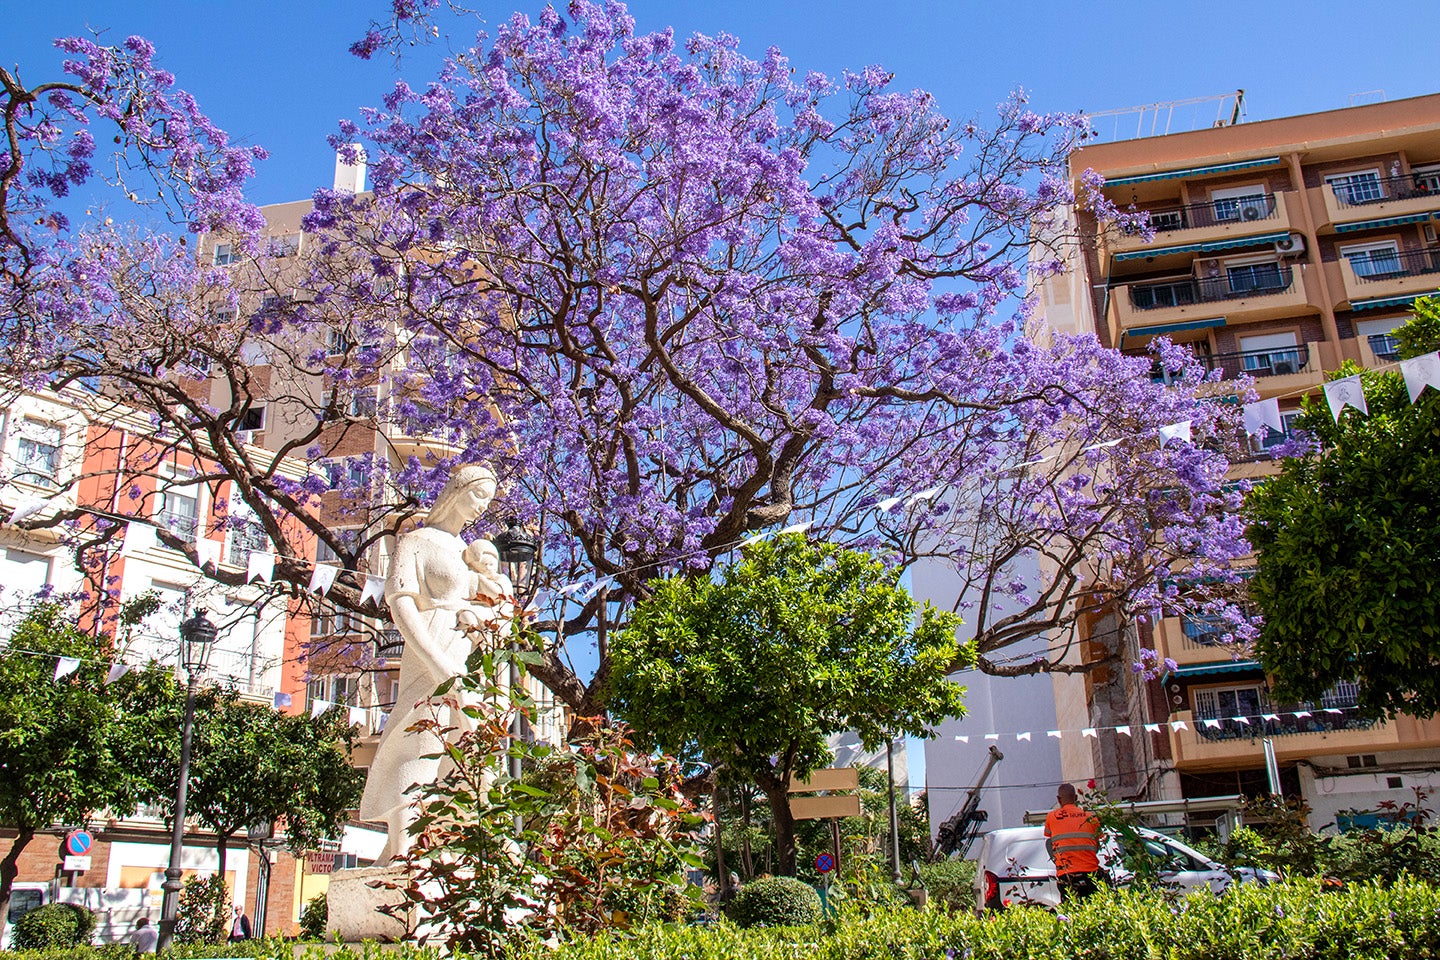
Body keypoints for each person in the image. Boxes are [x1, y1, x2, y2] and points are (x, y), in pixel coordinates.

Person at [358, 464, 509, 864]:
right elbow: (401, 605)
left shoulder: (467, 554)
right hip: (432, 645)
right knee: (419, 739)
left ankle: (457, 841)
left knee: (467, 744)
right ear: (456, 492)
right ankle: (403, 846)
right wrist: (437, 663)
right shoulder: (415, 542)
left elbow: (488, 600)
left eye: (488, 502)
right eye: (478, 496)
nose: (481, 508)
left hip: (468, 652)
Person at [1044, 782, 1102, 901]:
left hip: (1066, 874)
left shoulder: (1052, 817)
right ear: (1076, 798)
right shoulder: (1091, 817)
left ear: (1059, 800)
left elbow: (1049, 842)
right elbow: (1097, 844)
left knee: (1071, 910)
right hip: (1090, 872)